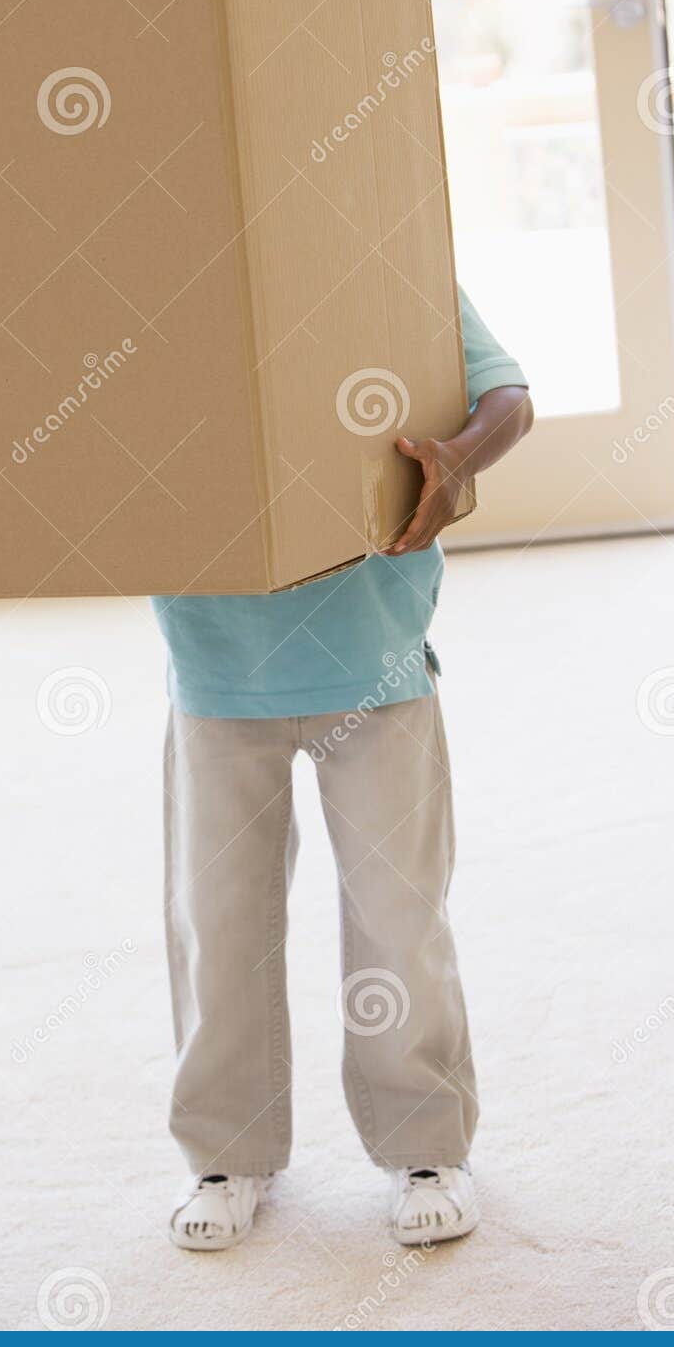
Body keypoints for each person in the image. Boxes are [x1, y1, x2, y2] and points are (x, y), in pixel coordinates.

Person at [151, 287, 532, 1251]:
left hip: (376, 657)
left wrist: (459, 455)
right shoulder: (145, 277)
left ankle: (426, 1144)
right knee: (218, 919)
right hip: (216, 664)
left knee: (399, 913)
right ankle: (226, 1153)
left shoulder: (371, 257)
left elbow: (506, 394)